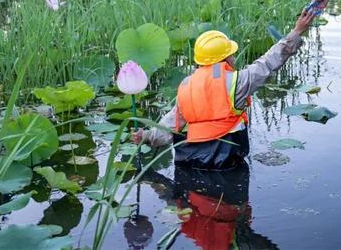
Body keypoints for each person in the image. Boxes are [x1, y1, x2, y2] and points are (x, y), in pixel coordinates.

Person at [131, 10, 316, 170]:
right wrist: (297, 31)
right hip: (226, 164)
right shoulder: (238, 81)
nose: (234, 57)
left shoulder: (187, 85)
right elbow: (269, 62)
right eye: (232, 54)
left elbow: (170, 124)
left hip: (188, 163)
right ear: (226, 59)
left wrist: (146, 136)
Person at [131, 163, 278, 249]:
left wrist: (149, 136)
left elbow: (175, 121)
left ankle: (150, 178)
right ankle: (150, 179)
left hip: (198, 178)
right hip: (226, 177)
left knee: (172, 195)